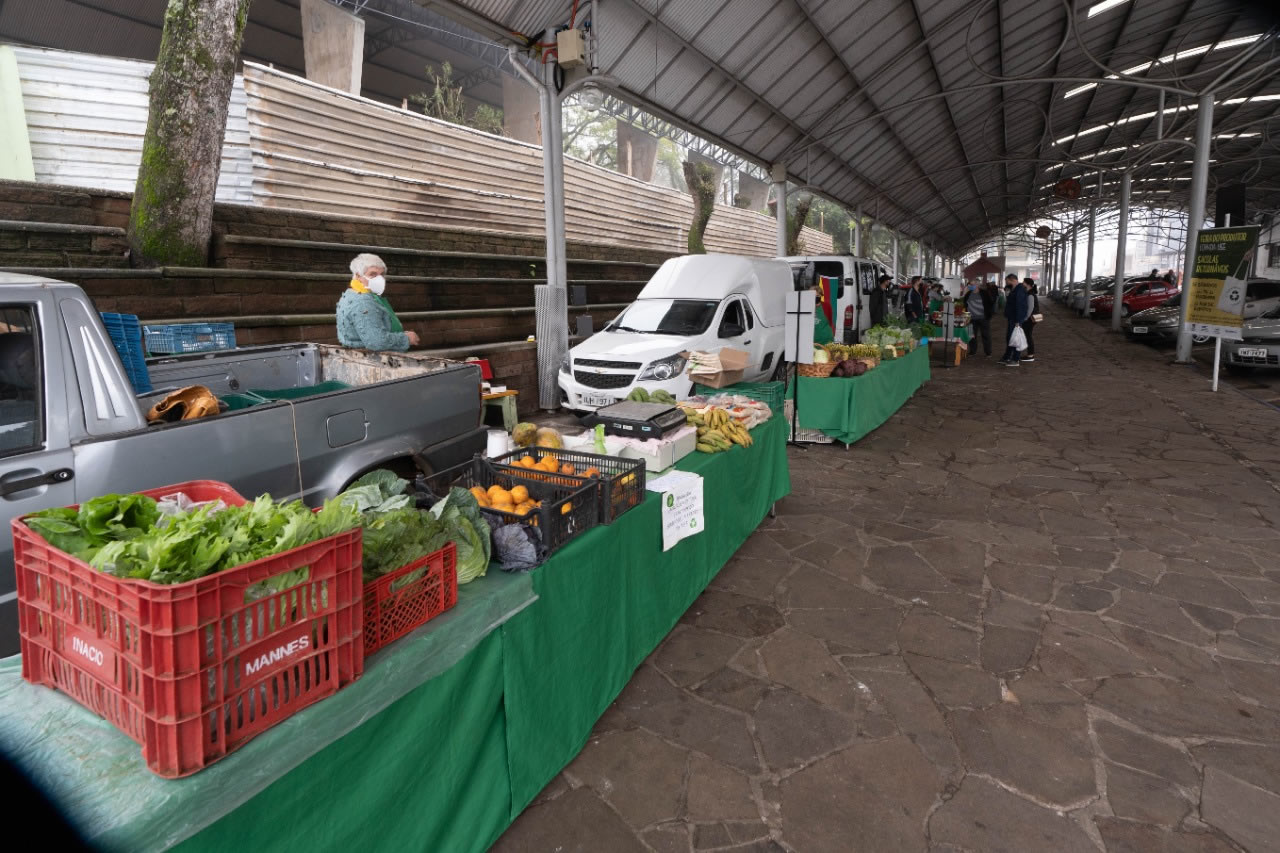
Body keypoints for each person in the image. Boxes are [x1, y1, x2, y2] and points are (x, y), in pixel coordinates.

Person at [336, 253, 420, 352]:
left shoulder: (352, 294)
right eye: (373, 274)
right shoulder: (363, 302)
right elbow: (377, 342)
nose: (379, 279)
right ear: (358, 276)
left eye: (382, 274)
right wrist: (406, 338)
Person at [999, 274, 1029, 366]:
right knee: (1010, 338)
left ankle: (1015, 359)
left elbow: (1020, 306)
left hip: (1016, 319)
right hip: (1013, 318)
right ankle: (1007, 356)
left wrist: (1018, 321)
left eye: (1007, 281)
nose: (1006, 283)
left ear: (1012, 280)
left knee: (1015, 339)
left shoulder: (1019, 290)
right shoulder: (1015, 289)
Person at [965, 279, 994, 357]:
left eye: (972, 284)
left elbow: (991, 303)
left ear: (977, 285)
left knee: (986, 335)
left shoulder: (984, 293)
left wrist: (989, 314)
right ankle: (973, 351)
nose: (970, 286)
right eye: (969, 284)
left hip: (983, 318)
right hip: (971, 319)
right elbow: (965, 304)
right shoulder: (968, 294)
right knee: (971, 335)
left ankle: (988, 352)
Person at [1021, 278, 1039, 363]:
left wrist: (1025, 318)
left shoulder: (1030, 294)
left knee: (1028, 336)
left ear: (1028, 284)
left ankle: (1030, 355)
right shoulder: (1030, 293)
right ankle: (1030, 354)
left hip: (1029, 319)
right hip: (1031, 319)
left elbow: (1030, 309)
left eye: (1024, 282)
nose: (1022, 283)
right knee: (1028, 336)